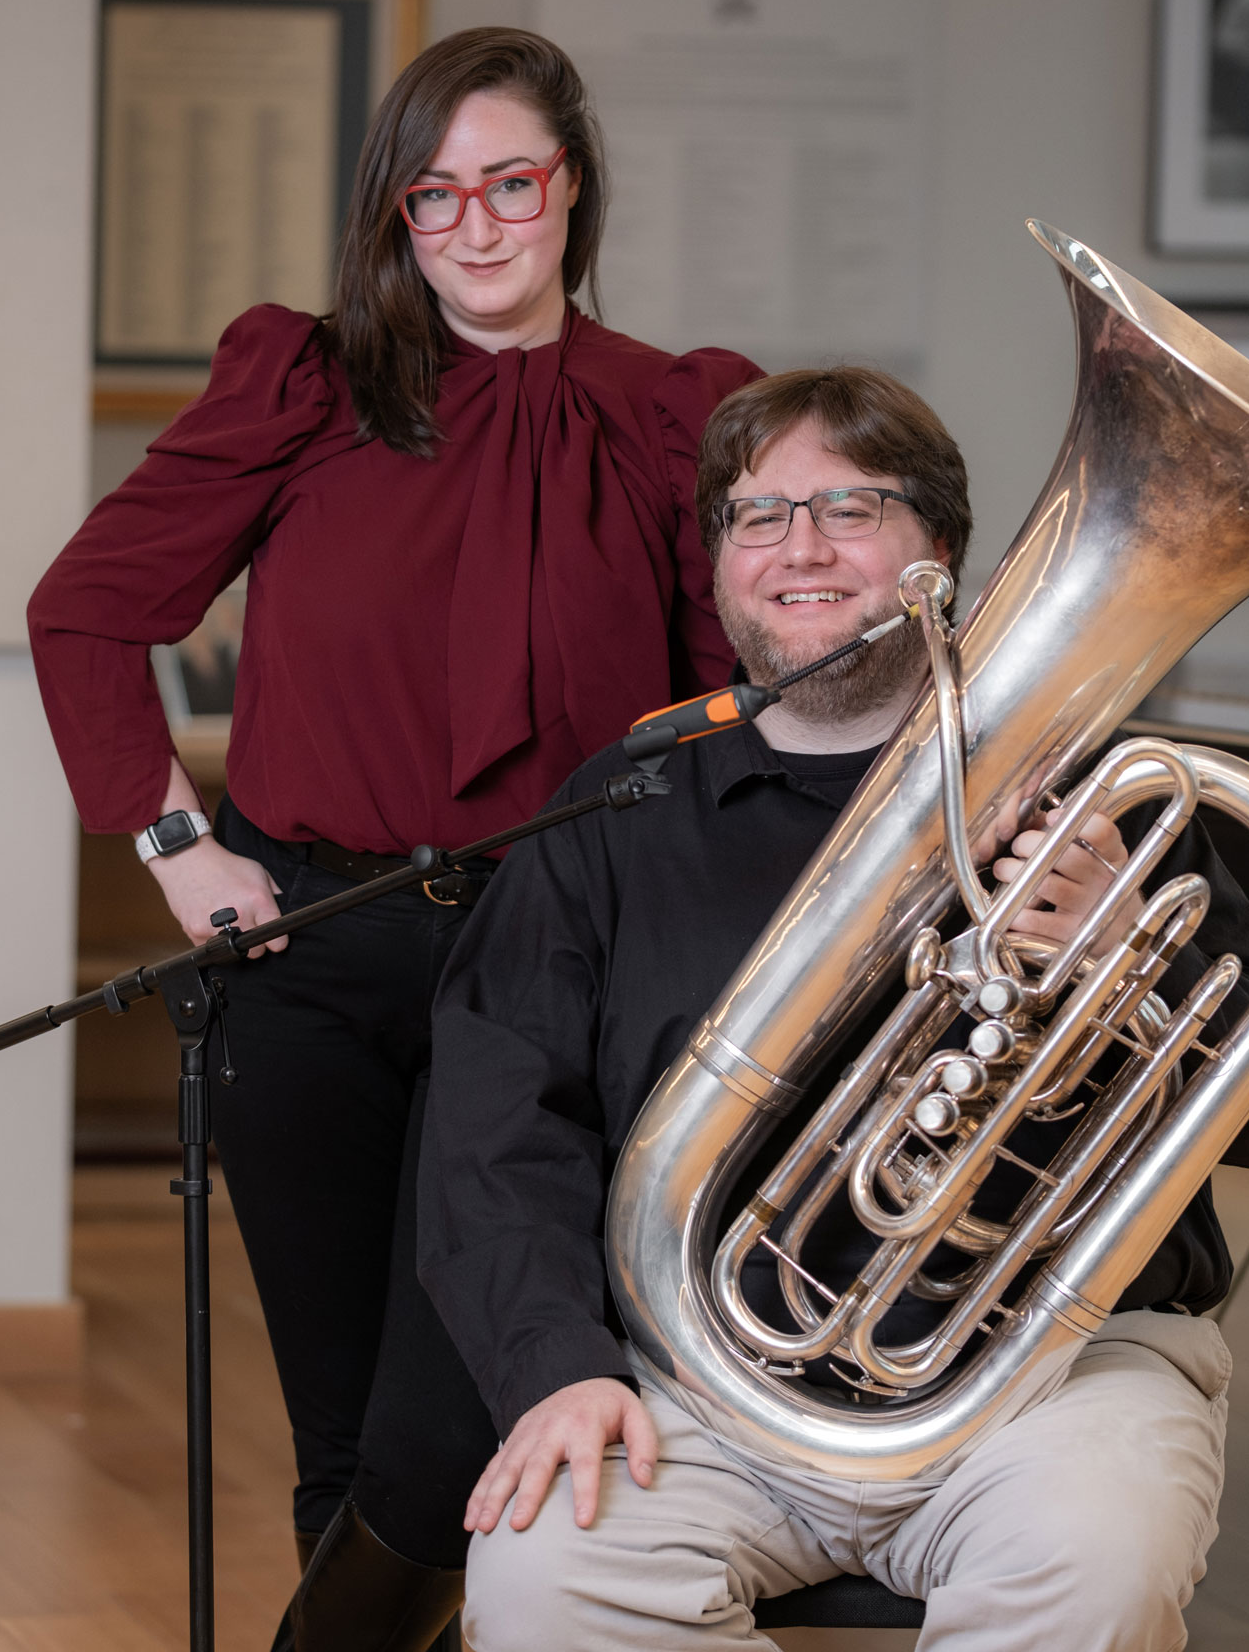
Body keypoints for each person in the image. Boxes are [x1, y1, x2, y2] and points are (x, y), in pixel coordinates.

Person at [26, 27, 761, 1651]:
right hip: (309, 949)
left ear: (573, 189)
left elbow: (729, 717)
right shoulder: (306, 383)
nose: (478, 228)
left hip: (556, 974)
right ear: (394, 215)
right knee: (347, 1440)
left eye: (512, 184)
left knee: (451, 1444)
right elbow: (86, 612)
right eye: (435, 197)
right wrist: (171, 845)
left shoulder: (670, 418)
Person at [419, 365, 1249, 1652]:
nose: (799, 549)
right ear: (719, 568)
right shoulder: (627, 805)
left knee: (1088, 1572)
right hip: (701, 1380)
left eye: (851, 510)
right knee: (543, 1584)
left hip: (1055, 1377)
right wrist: (556, 1366)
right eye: (759, 517)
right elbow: (494, 1118)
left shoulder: (1115, 800)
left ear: (943, 552)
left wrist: (1119, 962)